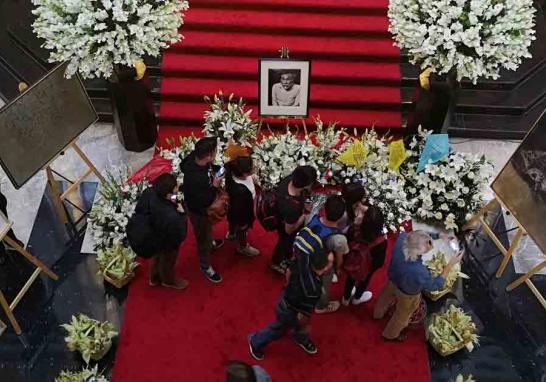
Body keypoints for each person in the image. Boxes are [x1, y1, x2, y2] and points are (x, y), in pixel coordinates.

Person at [373, 231, 464, 341]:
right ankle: (390, 334)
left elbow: (416, 236)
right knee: (402, 316)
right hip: (407, 294)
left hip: (392, 280)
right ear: (419, 251)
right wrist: (450, 265)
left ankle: (377, 314)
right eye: (428, 244)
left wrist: (439, 235)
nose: (431, 245)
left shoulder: (403, 238)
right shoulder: (419, 271)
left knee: (385, 297)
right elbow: (435, 285)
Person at [248, 251, 334, 360]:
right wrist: (304, 325)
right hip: (291, 311)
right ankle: (255, 342)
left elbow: (288, 270)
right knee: (278, 329)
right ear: (325, 267)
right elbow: (302, 315)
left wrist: (289, 287)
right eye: (331, 262)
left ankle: (301, 338)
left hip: (285, 299)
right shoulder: (313, 290)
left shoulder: (304, 259)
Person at [132, 173, 188, 289]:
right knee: (167, 261)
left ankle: (154, 277)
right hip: (166, 241)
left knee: (156, 257)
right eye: (176, 187)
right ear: (168, 194)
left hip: (151, 235)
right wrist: (182, 214)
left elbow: (140, 209)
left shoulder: (149, 192)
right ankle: (168, 280)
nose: (178, 187)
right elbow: (180, 234)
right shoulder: (171, 215)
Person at [294, 195, 348, 314]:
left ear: (325, 208)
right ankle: (321, 306)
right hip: (322, 266)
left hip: (303, 258)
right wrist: (337, 268)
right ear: (340, 217)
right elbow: (339, 260)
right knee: (323, 286)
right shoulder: (339, 239)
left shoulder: (313, 217)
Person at [181, 137, 225, 284]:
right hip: (199, 212)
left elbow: (183, 165)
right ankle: (205, 266)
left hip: (198, 203)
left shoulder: (193, 158)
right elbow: (206, 200)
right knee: (203, 238)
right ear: (208, 156)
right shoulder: (196, 179)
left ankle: (211, 242)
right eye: (214, 152)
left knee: (207, 233)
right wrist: (214, 185)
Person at [270, 166, 317, 274]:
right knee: (284, 241)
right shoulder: (292, 207)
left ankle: (286, 256)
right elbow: (289, 230)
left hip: (280, 214)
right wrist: (305, 214)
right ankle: (276, 262)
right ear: (307, 184)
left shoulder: (288, 180)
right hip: (285, 224)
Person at [343, 205, 387, 305]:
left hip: (352, 263)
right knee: (364, 281)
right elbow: (379, 262)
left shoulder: (355, 230)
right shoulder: (381, 242)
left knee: (350, 279)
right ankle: (357, 298)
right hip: (367, 268)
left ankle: (345, 298)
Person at [225, 156, 259, 257]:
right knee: (242, 229)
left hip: (233, 209)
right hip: (242, 213)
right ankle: (243, 247)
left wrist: (251, 178)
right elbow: (240, 210)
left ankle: (231, 233)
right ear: (244, 173)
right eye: (252, 168)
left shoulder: (232, 172)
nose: (254, 168)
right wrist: (243, 223)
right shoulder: (241, 191)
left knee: (232, 221)